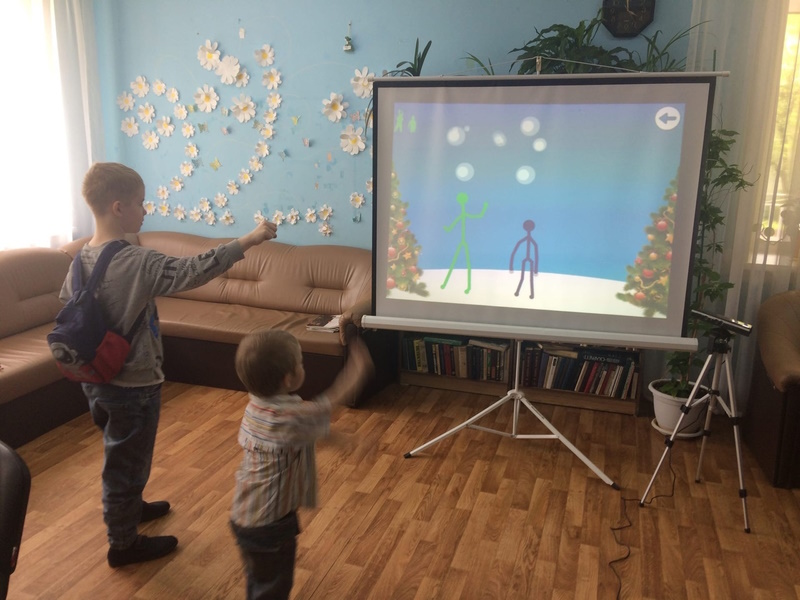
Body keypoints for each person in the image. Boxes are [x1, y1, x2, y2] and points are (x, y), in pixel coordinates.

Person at [60, 162, 279, 568]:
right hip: (133, 384)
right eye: (141, 203)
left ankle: (132, 505)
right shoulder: (134, 260)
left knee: (123, 453)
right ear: (118, 207)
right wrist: (249, 239)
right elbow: (194, 271)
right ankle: (123, 544)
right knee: (125, 463)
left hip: (95, 379)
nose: (146, 211)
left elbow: (68, 303)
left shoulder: (78, 259)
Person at [230, 329, 374, 600]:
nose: (302, 366)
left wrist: (346, 441)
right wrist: (358, 369)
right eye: (301, 362)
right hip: (270, 525)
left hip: (245, 514)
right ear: (289, 378)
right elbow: (331, 401)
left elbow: (306, 431)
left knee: (259, 579)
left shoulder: (257, 407)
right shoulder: (289, 416)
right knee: (273, 587)